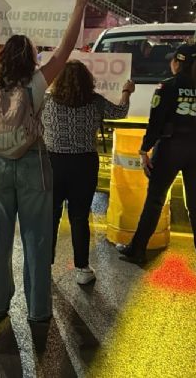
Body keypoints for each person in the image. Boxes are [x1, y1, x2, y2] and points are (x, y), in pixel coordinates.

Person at [0, 0, 87, 323]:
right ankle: (39, 310)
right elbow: (66, 49)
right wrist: (78, 7)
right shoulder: (37, 84)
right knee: (37, 239)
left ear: (4, 57)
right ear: (30, 58)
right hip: (33, 165)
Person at [119, 43, 196, 275]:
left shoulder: (167, 87)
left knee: (155, 199)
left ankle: (138, 250)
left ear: (178, 62)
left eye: (172, 60)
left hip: (171, 147)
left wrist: (145, 149)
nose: (170, 63)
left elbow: (156, 123)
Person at [43, 60, 133, 285]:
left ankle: (44, 264)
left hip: (53, 162)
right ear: (87, 81)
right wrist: (126, 91)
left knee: (50, 215)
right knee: (80, 216)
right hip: (84, 164)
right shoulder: (96, 102)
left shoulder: (47, 102)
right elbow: (120, 112)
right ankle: (82, 267)